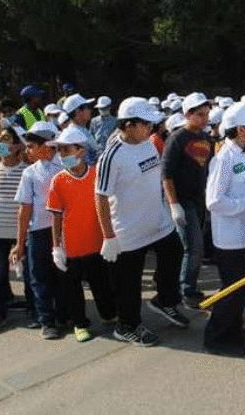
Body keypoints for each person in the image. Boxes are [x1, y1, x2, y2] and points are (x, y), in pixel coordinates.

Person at [95, 98, 188, 347]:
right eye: (145, 124)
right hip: (128, 232)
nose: (150, 128)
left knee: (174, 253)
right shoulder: (112, 155)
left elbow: (156, 178)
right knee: (129, 283)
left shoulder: (148, 144)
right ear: (128, 124)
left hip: (158, 222)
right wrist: (108, 236)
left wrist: (170, 206)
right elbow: (100, 196)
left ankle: (165, 301)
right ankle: (127, 326)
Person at [47, 126, 116, 342]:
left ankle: (108, 315)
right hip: (72, 246)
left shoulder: (97, 175)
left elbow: (110, 206)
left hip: (97, 242)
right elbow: (56, 215)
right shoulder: (59, 180)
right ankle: (80, 323)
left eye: (67, 150)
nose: (62, 155)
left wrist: (112, 236)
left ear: (81, 151)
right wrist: (56, 246)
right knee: (73, 288)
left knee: (101, 283)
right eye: (60, 150)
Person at [203, 102, 245, 356]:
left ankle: (234, 331)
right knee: (233, 289)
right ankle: (216, 337)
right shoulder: (224, 158)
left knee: (241, 289)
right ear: (240, 129)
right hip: (230, 237)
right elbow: (214, 201)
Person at [10, 121, 66, 339]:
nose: (27, 151)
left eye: (31, 146)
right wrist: (19, 243)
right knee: (39, 277)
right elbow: (24, 210)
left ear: (47, 145)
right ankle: (47, 320)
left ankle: (64, 315)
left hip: (62, 231)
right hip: (38, 233)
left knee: (62, 275)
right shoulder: (30, 173)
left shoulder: (65, 168)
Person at [162, 92, 214, 308]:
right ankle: (186, 290)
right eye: (200, 114)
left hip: (199, 199)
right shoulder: (177, 139)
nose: (204, 119)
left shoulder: (207, 138)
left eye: (206, 114)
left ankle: (188, 287)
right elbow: (166, 174)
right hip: (183, 200)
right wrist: (174, 204)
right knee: (193, 247)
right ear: (187, 114)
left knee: (196, 248)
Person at [0, 126, 29, 333]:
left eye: (6, 139)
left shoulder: (26, 171)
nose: (1, 143)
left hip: (22, 232)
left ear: (17, 145)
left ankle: (34, 309)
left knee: (29, 273)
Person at [62, 93, 98, 165]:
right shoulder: (71, 134)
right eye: (87, 107)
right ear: (78, 111)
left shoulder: (81, 129)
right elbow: (71, 164)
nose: (90, 110)